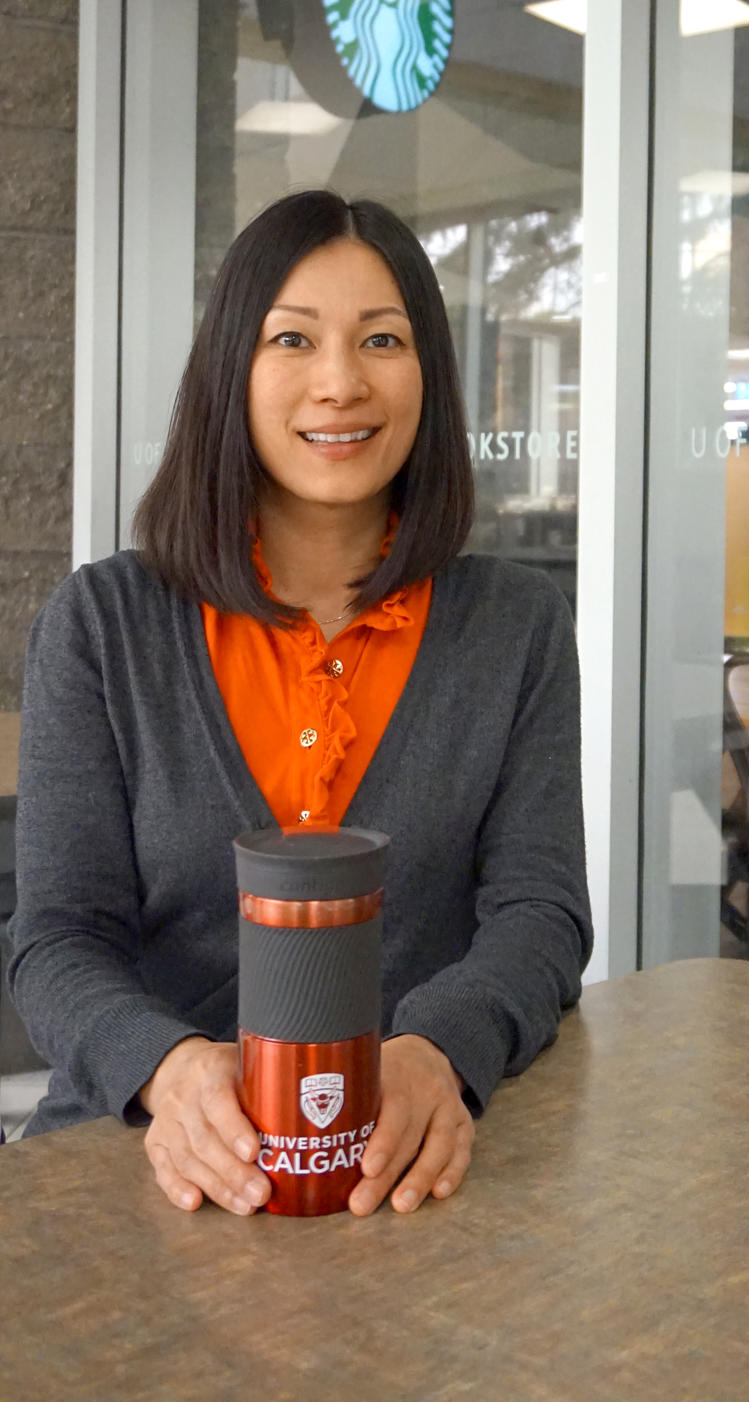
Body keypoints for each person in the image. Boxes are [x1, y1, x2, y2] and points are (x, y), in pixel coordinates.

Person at [7, 190, 592, 1218]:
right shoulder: (104, 623)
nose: (341, 382)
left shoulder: (516, 624)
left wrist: (434, 1052)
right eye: (293, 338)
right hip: (141, 1163)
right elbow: (56, 939)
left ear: (429, 377)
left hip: (409, 1174)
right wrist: (169, 1068)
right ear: (231, 369)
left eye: (382, 338)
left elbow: (540, 916)